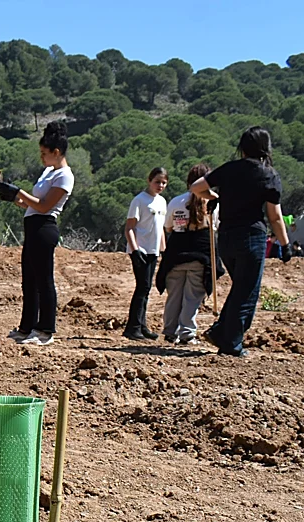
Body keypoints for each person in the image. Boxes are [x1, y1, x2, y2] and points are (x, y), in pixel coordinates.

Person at [189, 126, 292, 358]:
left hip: (226, 237)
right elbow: (274, 216)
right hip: (251, 237)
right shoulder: (268, 174)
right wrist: (284, 245)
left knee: (240, 290)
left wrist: (215, 197)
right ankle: (230, 343)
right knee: (247, 293)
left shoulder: (229, 169)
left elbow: (196, 188)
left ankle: (220, 332)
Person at [0, 121, 75, 346]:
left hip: (44, 227)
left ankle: (45, 329)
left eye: (44, 153)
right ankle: (27, 326)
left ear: (56, 152)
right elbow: (33, 205)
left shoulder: (65, 176)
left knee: (43, 280)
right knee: (29, 280)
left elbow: (43, 206)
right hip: (32, 226)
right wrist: (14, 199)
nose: (42, 158)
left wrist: (19, 191)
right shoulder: (49, 171)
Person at [155, 163, 222, 346]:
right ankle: (187, 332)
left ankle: (170, 331)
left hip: (176, 253)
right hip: (200, 254)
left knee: (174, 294)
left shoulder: (176, 201)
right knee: (192, 297)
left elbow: (168, 227)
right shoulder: (214, 204)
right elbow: (215, 227)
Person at [123, 167, 169, 341]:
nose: (160, 185)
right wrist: (134, 250)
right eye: (157, 182)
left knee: (147, 288)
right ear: (149, 180)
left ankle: (141, 325)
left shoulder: (162, 202)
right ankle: (132, 327)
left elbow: (161, 229)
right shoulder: (139, 200)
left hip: (153, 250)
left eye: (164, 182)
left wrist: (163, 251)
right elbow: (129, 228)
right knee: (141, 287)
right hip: (140, 249)